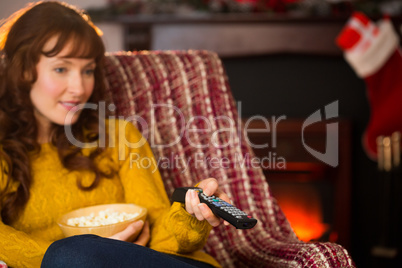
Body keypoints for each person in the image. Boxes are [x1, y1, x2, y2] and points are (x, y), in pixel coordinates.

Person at [0, 1, 229, 267]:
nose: (79, 87)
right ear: (24, 71)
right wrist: (95, 254)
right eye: (61, 69)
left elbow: (160, 238)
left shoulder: (120, 136)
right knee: (70, 255)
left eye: (88, 70)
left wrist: (193, 213)